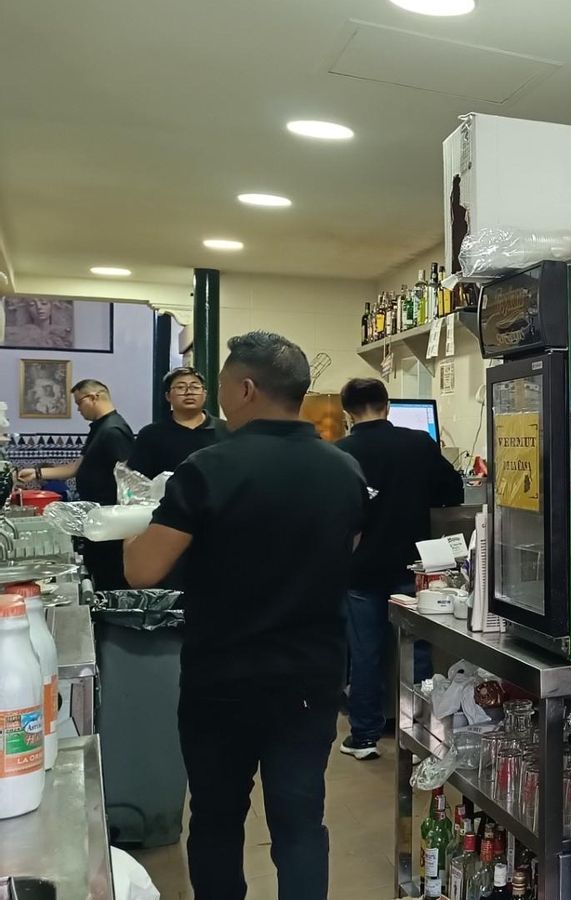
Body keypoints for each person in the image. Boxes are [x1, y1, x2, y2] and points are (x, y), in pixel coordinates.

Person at [124, 332, 366, 900]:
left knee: (216, 817)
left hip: (222, 676)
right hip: (310, 677)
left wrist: (133, 528)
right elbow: (345, 549)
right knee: (301, 821)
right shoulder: (345, 470)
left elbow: (142, 570)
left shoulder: (207, 467)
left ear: (246, 388)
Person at [334, 378, 462, 760]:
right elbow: (451, 493)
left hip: (361, 571)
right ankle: (424, 733)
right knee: (418, 651)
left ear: (347, 413)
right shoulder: (418, 443)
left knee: (365, 653)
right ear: (387, 407)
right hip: (413, 566)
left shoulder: (341, 452)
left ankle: (364, 737)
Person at [17, 379, 135, 588]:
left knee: (110, 577)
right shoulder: (100, 428)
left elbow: (129, 477)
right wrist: (36, 473)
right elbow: (75, 468)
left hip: (111, 522)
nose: (78, 409)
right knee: (98, 571)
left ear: (94, 397)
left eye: (79, 402)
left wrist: (125, 522)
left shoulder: (113, 430)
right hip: (98, 518)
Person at [128, 366, 226, 478]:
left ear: (204, 394)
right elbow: (136, 481)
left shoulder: (226, 430)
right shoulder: (150, 434)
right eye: (180, 387)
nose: (189, 392)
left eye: (195, 387)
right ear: (168, 396)